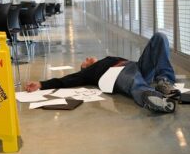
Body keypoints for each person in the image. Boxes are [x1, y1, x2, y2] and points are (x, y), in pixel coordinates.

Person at [25, 32, 181, 113]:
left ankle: (164, 82)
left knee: (159, 37)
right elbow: (65, 80)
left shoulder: (108, 58)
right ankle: (153, 99)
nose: (87, 58)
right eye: (84, 62)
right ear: (84, 68)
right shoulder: (90, 72)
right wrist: (41, 84)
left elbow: (136, 65)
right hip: (116, 74)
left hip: (135, 66)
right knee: (134, 81)